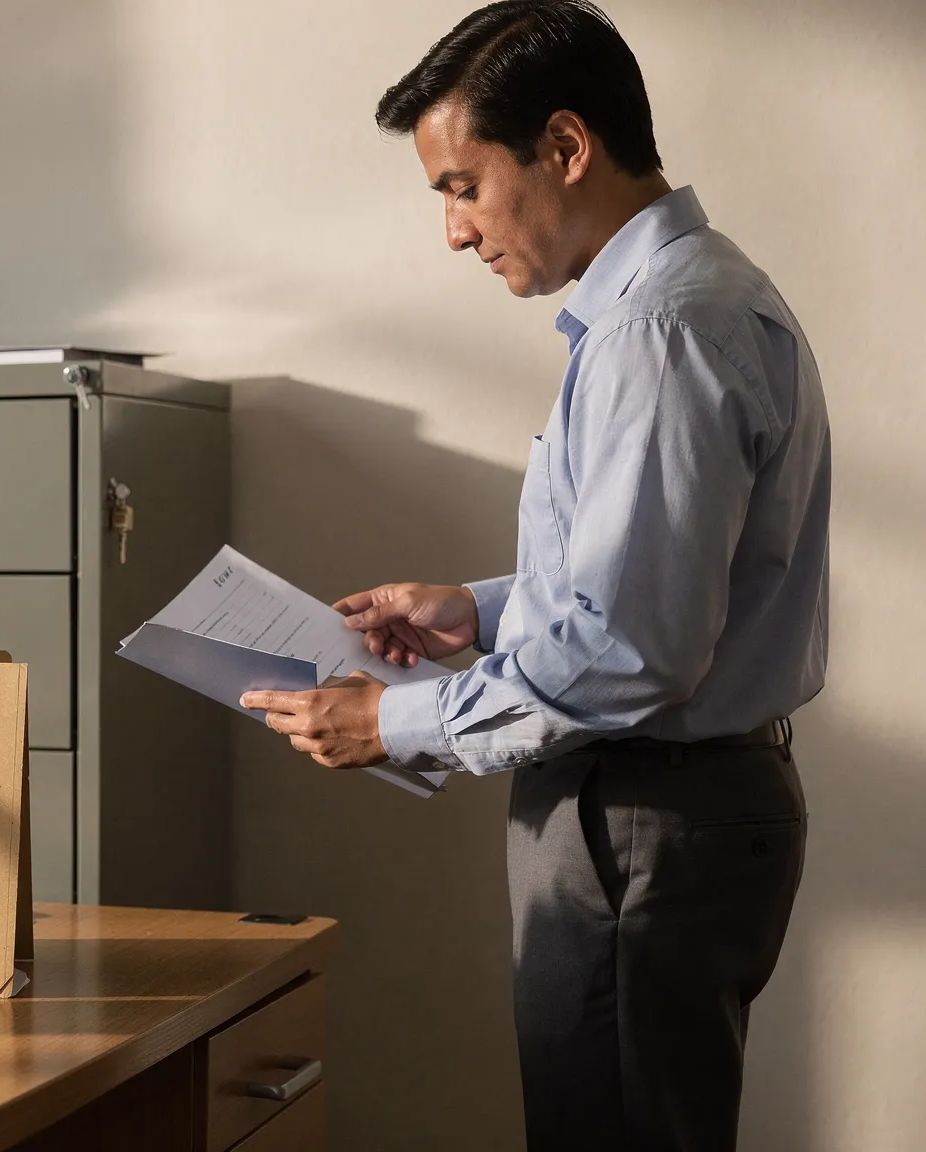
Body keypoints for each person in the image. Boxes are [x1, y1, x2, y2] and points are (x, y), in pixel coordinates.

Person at [236, 3, 830, 1149]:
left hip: (639, 814)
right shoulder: (695, 300)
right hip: (672, 808)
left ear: (563, 147)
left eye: (461, 185)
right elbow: (659, 586)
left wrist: (393, 723)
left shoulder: (659, 330)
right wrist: (474, 609)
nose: (454, 232)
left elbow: (629, 653)